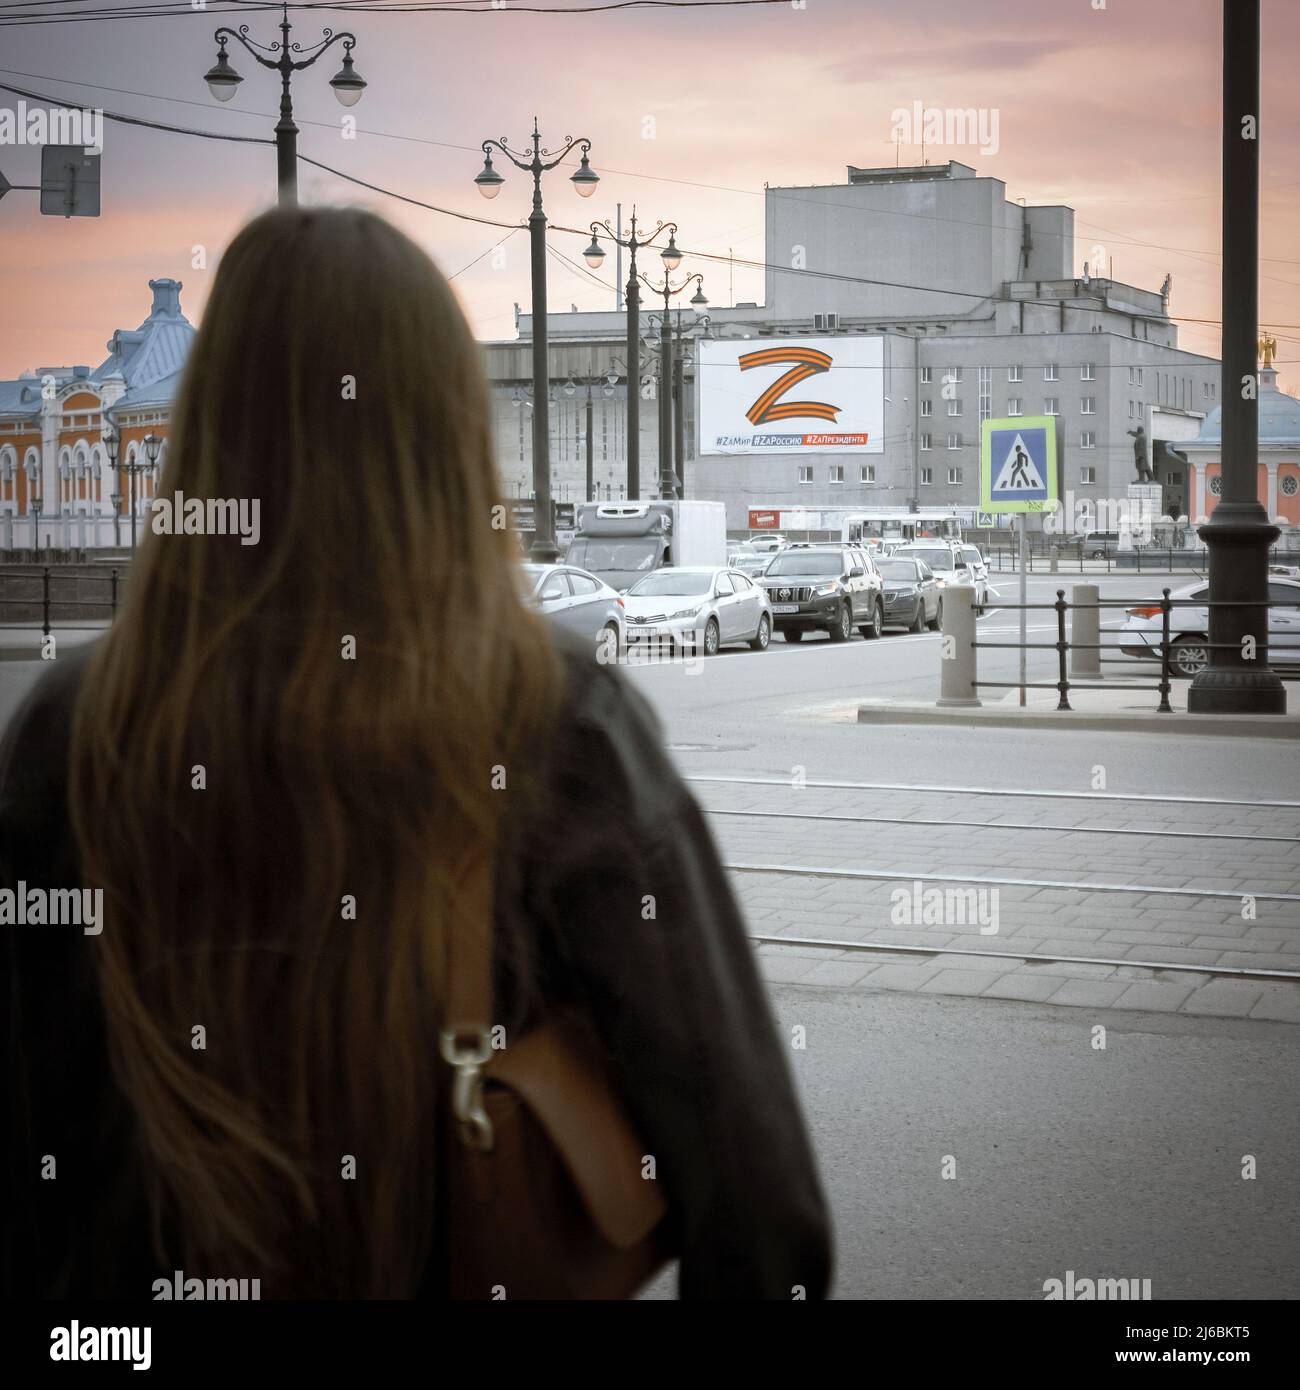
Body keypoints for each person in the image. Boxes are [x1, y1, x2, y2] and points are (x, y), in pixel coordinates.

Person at [0, 206, 831, 1300]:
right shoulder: (553, 719)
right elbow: (761, 1210)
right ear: (448, 430)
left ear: (206, 426)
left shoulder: (71, 724)